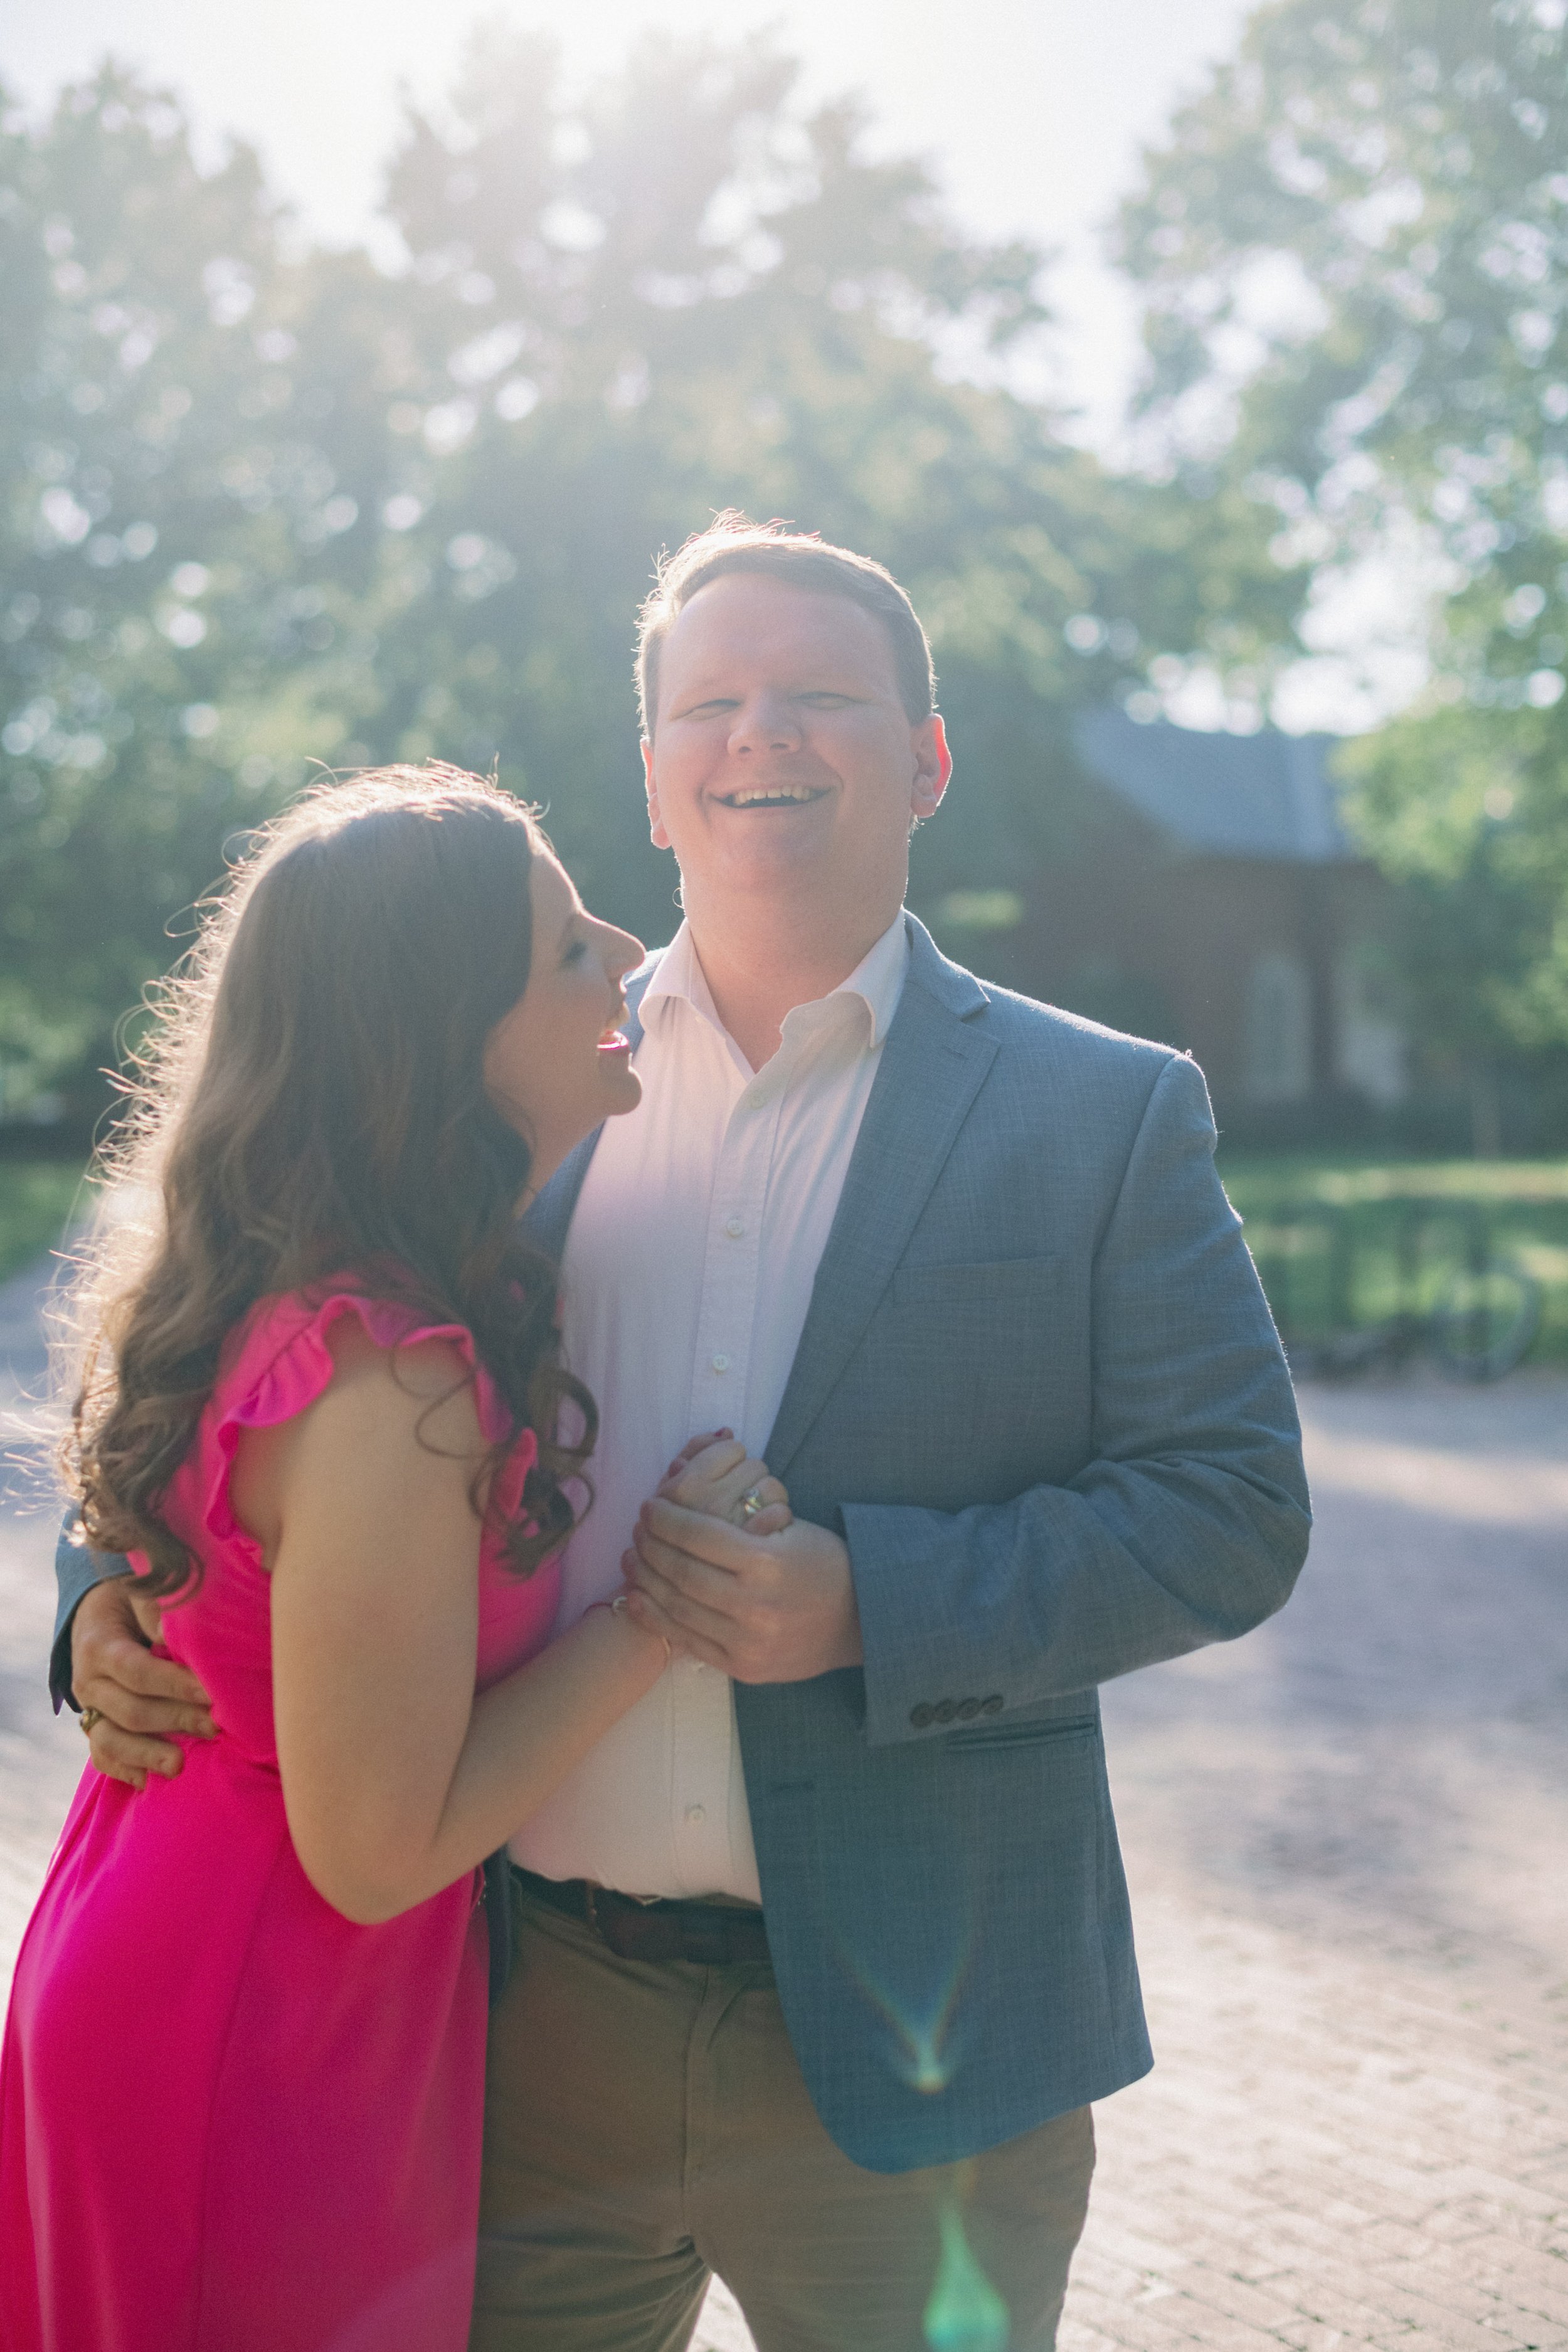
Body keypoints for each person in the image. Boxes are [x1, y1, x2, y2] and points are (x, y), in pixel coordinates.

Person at [56, 521, 1311, 2352]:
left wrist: (868, 1596)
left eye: (819, 694)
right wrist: (100, 1595)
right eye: (708, 701)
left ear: (927, 757)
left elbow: (1230, 1506)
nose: (760, 733)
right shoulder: (504, 1068)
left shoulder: (1102, 1111)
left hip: (924, 2030)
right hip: (507, 2023)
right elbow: (227, 1303)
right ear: (649, 772)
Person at [3, 770, 790, 2352]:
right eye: (567, 949)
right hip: (259, 2026)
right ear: (444, 1039)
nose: (624, 953)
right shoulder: (388, 1376)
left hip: (222, 1965)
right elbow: (374, 1850)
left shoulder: (326, 1280)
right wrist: (655, 1611)